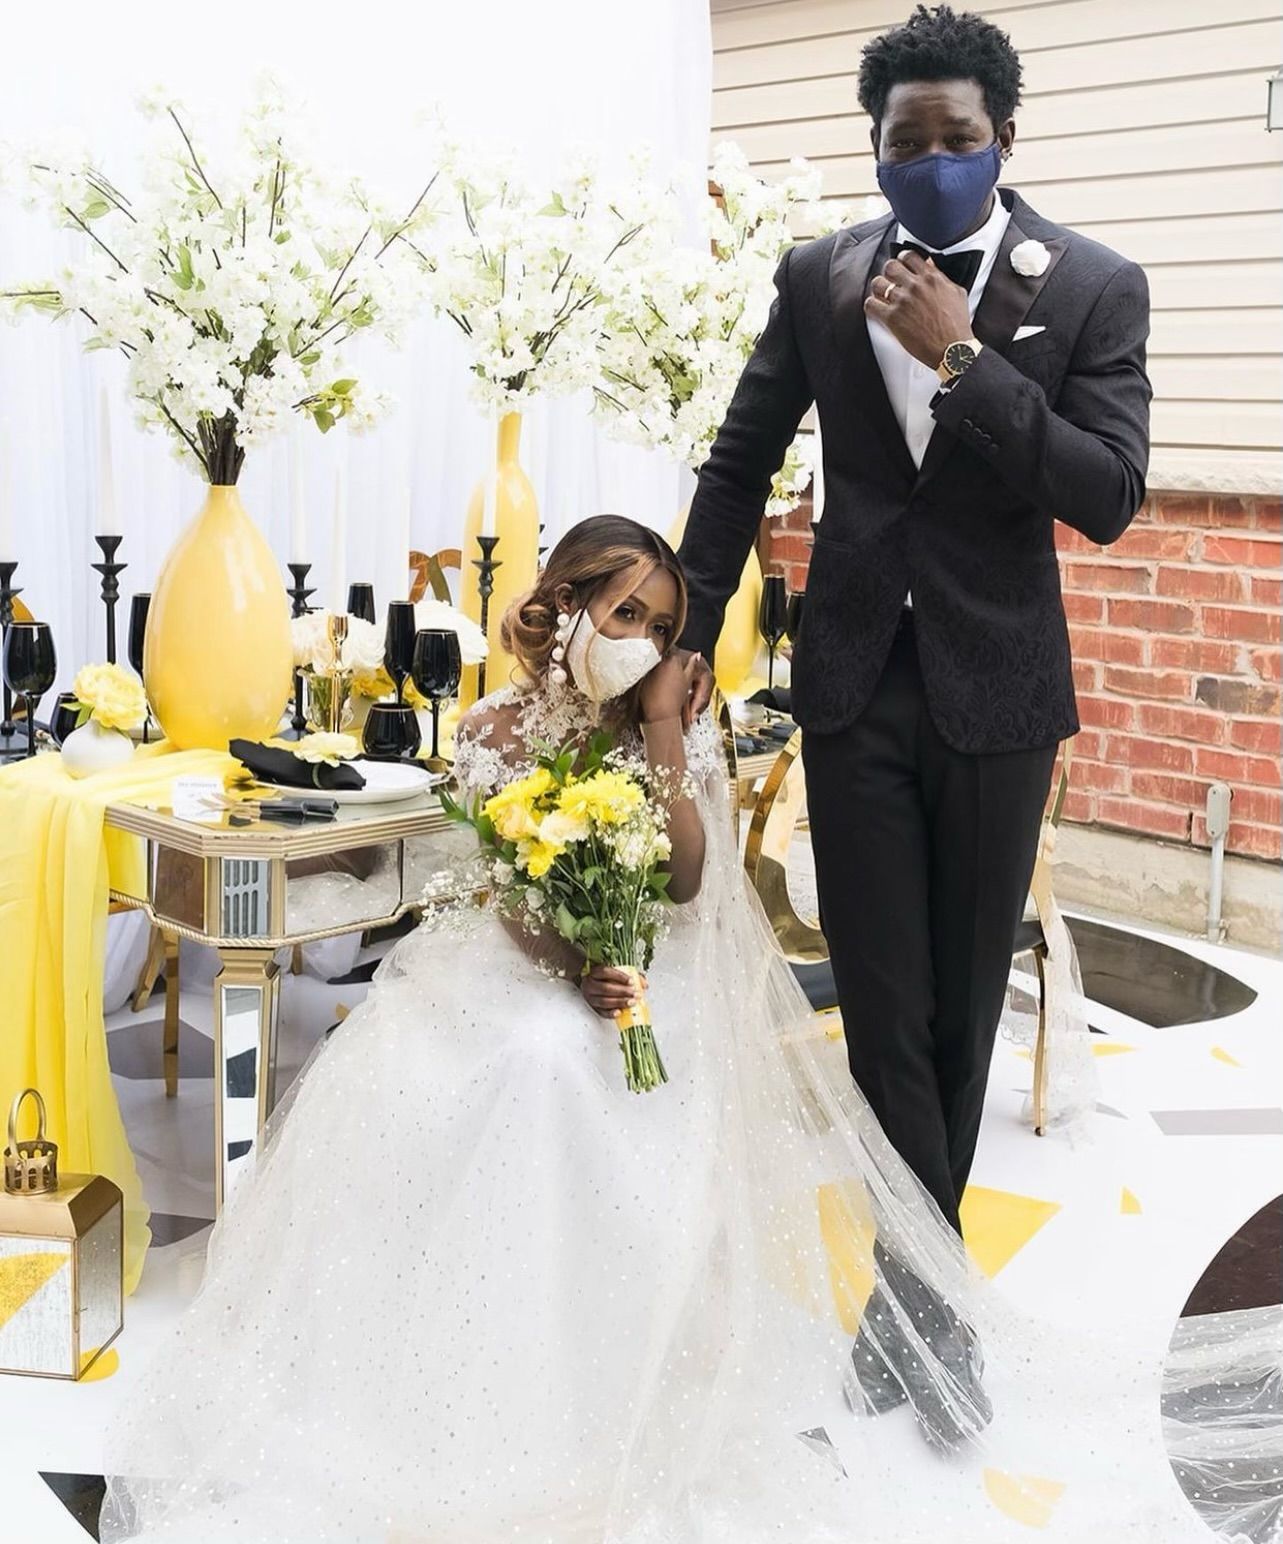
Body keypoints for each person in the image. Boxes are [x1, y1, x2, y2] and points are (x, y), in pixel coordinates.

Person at [98, 515, 1237, 1544]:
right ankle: (465, 1356)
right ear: (564, 603)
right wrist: (574, 962)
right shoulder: (491, 726)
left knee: (562, 1059)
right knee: (506, 1052)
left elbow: (688, 882)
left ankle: (598, 1364)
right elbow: (504, 891)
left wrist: (655, 736)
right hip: (524, 959)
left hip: (653, 965)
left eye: (658, 623)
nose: (640, 638)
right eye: (623, 614)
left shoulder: (672, 716)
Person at [678, 3, 1150, 1246]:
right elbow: (736, 465)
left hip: (997, 689)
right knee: (881, 1004)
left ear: (1003, 138)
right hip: (851, 683)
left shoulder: (1092, 285)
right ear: (875, 146)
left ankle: (915, 1286)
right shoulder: (818, 276)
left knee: (959, 1011)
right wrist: (685, 635)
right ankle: (924, 1288)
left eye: (956, 137)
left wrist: (961, 358)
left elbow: (1106, 493)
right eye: (905, 141)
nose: (930, 160)